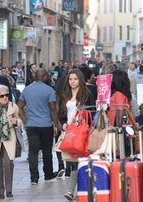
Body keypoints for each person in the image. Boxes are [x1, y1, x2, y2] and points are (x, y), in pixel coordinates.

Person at [58, 69, 95, 201]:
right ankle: (74, 190)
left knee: (83, 161)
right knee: (73, 161)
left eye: (75, 79)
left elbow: (93, 112)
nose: (72, 81)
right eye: (70, 79)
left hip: (83, 131)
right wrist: (62, 124)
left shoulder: (87, 94)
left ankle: (75, 190)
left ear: (80, 80)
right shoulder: (65, 95)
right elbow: (61, 114)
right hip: (70, 131)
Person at [17, 70, 59, 185]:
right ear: (45, 76)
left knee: (33, 152)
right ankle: (48, 174)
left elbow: (19, 107)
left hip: (32, 125)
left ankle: (34, 178)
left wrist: (26, 121)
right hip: (46, 125)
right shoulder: (49, 90)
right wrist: (56, 124)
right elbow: (53, 110)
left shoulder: (27, 89)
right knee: (46, 150)